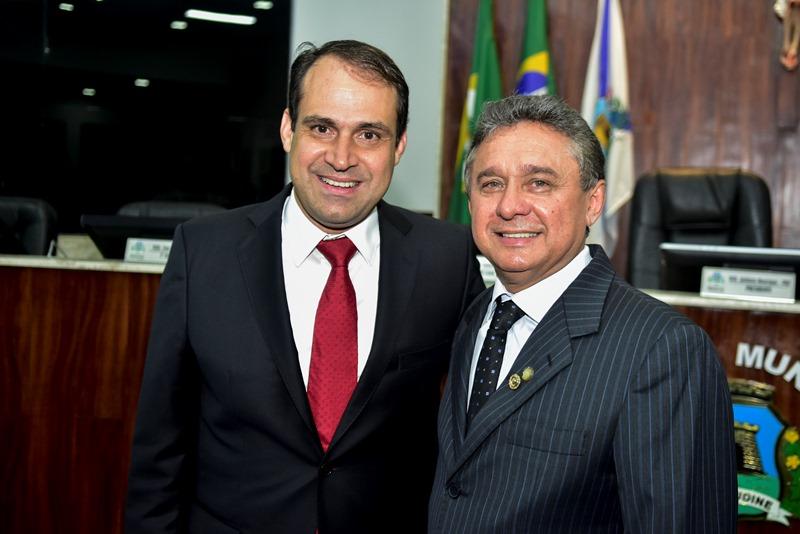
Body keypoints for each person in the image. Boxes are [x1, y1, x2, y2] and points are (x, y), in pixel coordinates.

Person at [125, 40, 485, 534]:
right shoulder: (203, 252)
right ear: (287, 129)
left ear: (399, 146)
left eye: (369, 134)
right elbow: (160, 446)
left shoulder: (446, 258)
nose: (342, 157)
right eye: (321, 128)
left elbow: (481, 422)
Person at [428, 94, 737, 533]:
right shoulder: (473, 317)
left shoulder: (663, 349)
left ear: (593, 202)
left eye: (539, 183)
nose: (509, 206)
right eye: (491, 183)